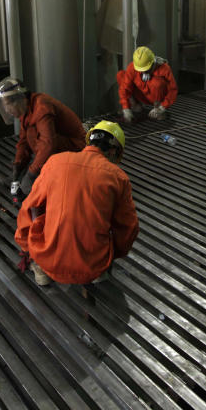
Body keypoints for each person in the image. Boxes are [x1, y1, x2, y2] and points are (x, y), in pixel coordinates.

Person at [15, 120, 139, 286]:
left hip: (48, 260)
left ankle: (40, 268)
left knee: (43, 207)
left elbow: (29, 207)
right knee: (108, 219)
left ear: (90, 141)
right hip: (93, 267)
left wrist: (26, 247)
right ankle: (97, 273)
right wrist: (112, 254)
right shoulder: (118, 176)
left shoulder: (55, 161)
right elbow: (128, 228)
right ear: (113, 151)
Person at [0, 77, 86, 196]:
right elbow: (23, 141)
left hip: (77, 149)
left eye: (7, 105)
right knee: (30, 135)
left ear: (18, 99)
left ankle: (50, 175)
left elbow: (48, 144)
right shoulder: (26, 109)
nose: (6, 110)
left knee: (35, 135)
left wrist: (31, 174)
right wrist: (18, 165)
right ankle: (40, 171)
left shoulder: (41, 107)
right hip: (60, 147)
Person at [117, 46, 178, 123]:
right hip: (140, 94)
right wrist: (126, 107)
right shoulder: (132, 67)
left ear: (152, 63)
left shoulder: (164, 68)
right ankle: (135, 105)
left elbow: (173, 90)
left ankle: (158, 110)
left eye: (145, 69)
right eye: (140, 70)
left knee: (157, 83)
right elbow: (124, 89)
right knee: (121, 75)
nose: (143, 72)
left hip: (155, 98)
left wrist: (162, 107)